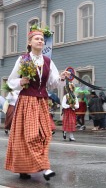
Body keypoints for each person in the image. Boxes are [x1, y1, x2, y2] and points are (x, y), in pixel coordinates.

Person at [5, 28, 70, 180]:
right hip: (27, 101)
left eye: (42, 39)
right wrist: (21, 81)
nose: (40, 41)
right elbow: (10, 81)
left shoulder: (47, 61)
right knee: (29, 135)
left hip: (41, 102)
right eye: (37, 39)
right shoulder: (23, 60)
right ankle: (44, 167)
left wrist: (61, 77)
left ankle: (30, 166)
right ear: (30, 43)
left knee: (45, 134)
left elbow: (52, 83)